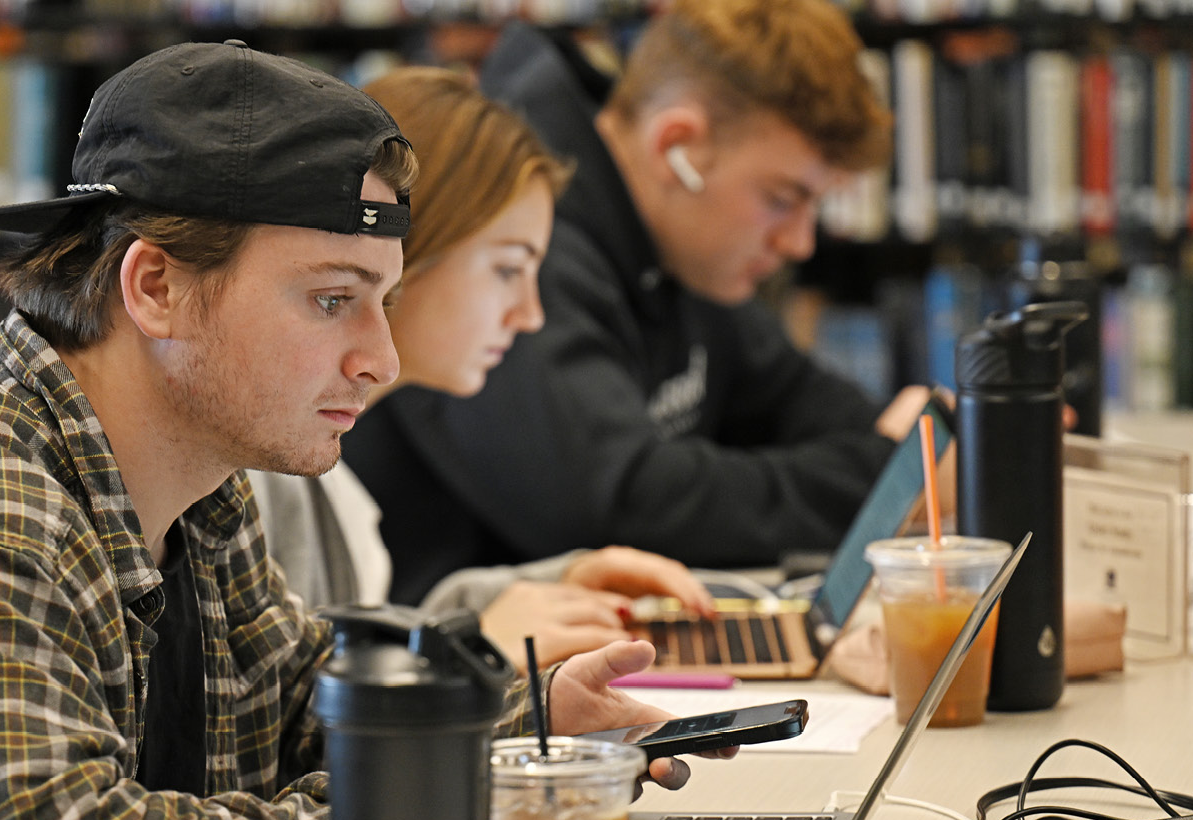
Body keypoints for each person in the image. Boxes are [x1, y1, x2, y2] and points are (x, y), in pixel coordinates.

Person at [0, 42, 713, 820]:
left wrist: (528, 722)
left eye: (382, 301)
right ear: (157, 286)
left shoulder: (202, 487)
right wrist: (427, 812)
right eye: (333, 300)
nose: (380, 359)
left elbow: (295, 709)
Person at [344, 0, 934, 607]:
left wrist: (899, 459)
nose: (800, 242)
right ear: (677, 146)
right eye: (782, 198)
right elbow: (608, 504)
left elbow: (792, 396)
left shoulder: (686, 255)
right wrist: (882, 478)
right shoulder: (506, 222)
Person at [248, 66, 713, 674]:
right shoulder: (263, 466)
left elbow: (348, 630)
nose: (530, 316)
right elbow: (297, 714)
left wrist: (553, 585)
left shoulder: (329, 472)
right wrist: (480, 645)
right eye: (506, 269)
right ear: (410, 245)